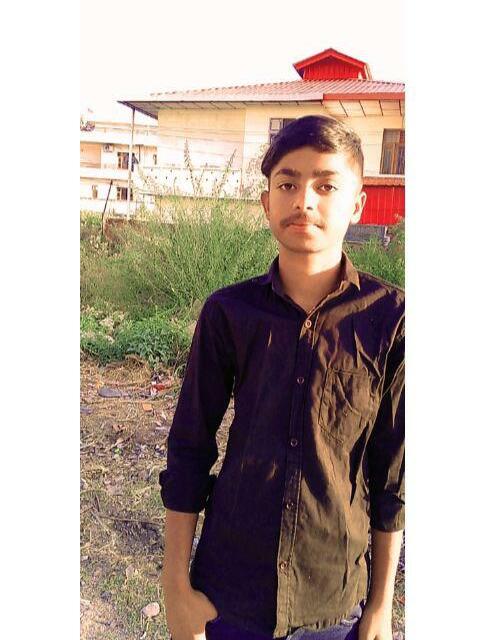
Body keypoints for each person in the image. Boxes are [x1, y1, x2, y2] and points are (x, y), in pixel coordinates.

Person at [159, 115, 404, 640]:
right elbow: (189, 448)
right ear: (266, 202)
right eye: (287, 184)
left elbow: (393, 474)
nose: (304, 201)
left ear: (358, 205)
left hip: (333, 602)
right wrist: (176, 586)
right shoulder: (228, 313)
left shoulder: (390, 319)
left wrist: (381, 607)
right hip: (229, 596)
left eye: (326, 185)